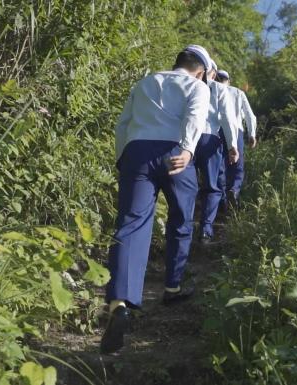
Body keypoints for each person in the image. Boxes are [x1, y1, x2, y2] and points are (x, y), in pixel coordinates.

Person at [101, 45, 213, 355]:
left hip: (137, 152)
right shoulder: (197, 87)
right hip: (176, 152)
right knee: (180, 219)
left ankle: (119, 302)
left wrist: (123, 157)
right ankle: (172, 286)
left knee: (131, 224)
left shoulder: (145, 82)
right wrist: (188, 149)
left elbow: (123, 124)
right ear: (201, 71)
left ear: (177, 62)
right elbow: (195, 117)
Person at [195, 61, 239, 244]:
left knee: (187, 186)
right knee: (212, 187)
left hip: (184, 139)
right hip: (209, 137)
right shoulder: (219, 89)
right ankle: (205, 229)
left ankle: (183, 226)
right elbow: (228, 119)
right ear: (211, 72)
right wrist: (232, 146)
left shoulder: (188, 84)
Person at [216, 70, 257, 208]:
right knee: (237, 165)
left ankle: (222, 200)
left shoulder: (211, 89)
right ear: (228, 80)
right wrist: (252, 134)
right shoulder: (238, 93)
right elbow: (250, 116)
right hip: (236, 130)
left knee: (220, 165)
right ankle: (234, 190)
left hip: (216, 130)